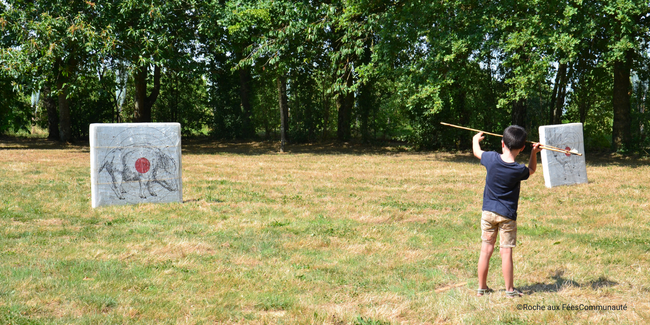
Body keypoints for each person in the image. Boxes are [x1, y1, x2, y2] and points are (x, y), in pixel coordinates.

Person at [472, 125, 542, 298]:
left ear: (502, 143)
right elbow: (532, 170)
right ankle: (509, 290)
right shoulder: (518, 170)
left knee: (485, 250)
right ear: (522, 148)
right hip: (507, 216)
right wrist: (534, 153)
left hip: (488, 213)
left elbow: (477, 152)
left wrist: (475, 140)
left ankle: (482, 288)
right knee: (506, 252)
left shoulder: (491, 158)